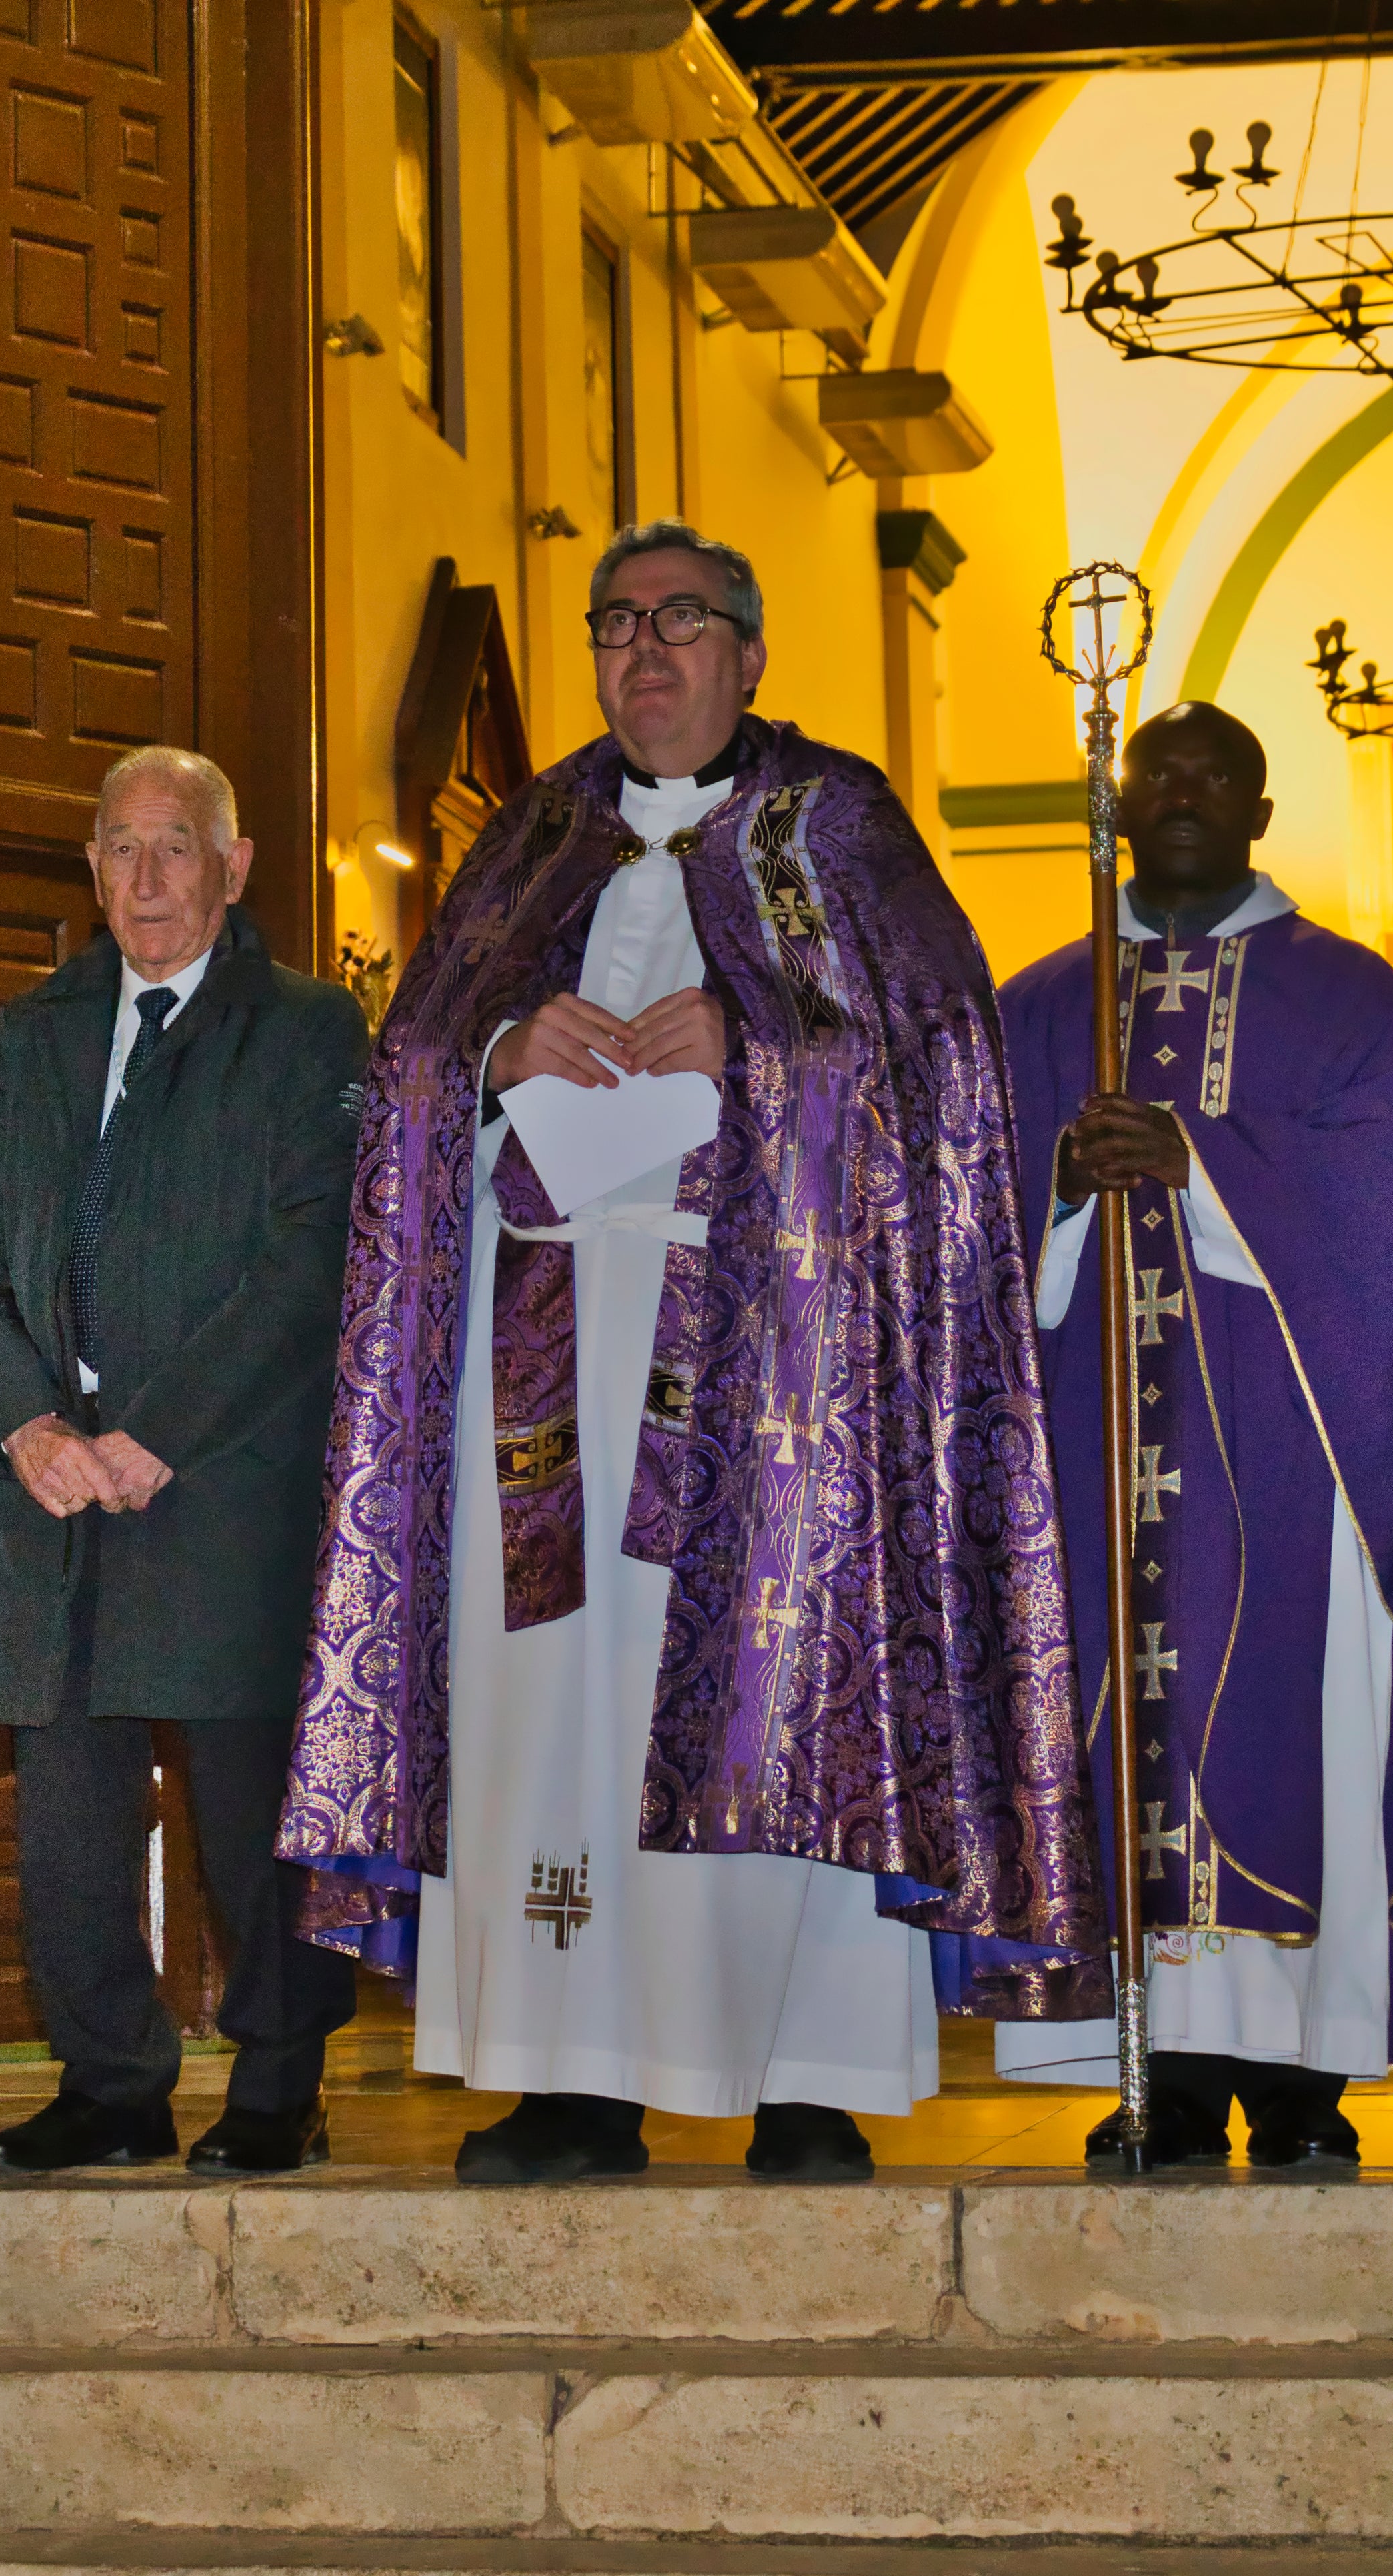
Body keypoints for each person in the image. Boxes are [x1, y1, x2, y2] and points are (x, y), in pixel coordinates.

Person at [280, 520, 1100, 2186]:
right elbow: (409, 1066)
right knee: (555, 1712)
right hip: (538, 1346)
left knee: (768, 1694)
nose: (643, 653)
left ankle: (801, 2075)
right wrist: (507, 1036)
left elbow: (943, 1080)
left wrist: (760, 1037)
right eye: (614, 625)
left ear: (747, 651)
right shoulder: (528, 838)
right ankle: (571, 2077)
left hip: (776, 1376)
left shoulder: (842, 824)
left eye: (680, 623)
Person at [996, 700, 1393, 2167]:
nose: (1188, 793)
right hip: (1099, 1461)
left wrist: (1201, 1160)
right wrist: (1065, 1187)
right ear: (1120, 810)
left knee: (1288, 1730)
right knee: (1111, 1733)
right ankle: (1153, 2073)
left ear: (1265, 812)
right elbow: (962, 1221)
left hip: (1289, 1454)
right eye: (1161, 774)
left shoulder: (1358, 1003)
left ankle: (1297, 2087)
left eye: (1220, 774)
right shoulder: (1040, 1008)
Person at [0, 746, 367, 2176]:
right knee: (67, 1822)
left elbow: (312, 1270)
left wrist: (154, 1434)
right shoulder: (34, 1031)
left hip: (218, 1483)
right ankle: (109, 2081)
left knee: (248, 1815)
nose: (147, 877)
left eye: (177, 846)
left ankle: (276, 2083)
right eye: (120, 848)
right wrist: (28, 1425)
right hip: (50, 1495)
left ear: (235, 868)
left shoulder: (305, 1030)